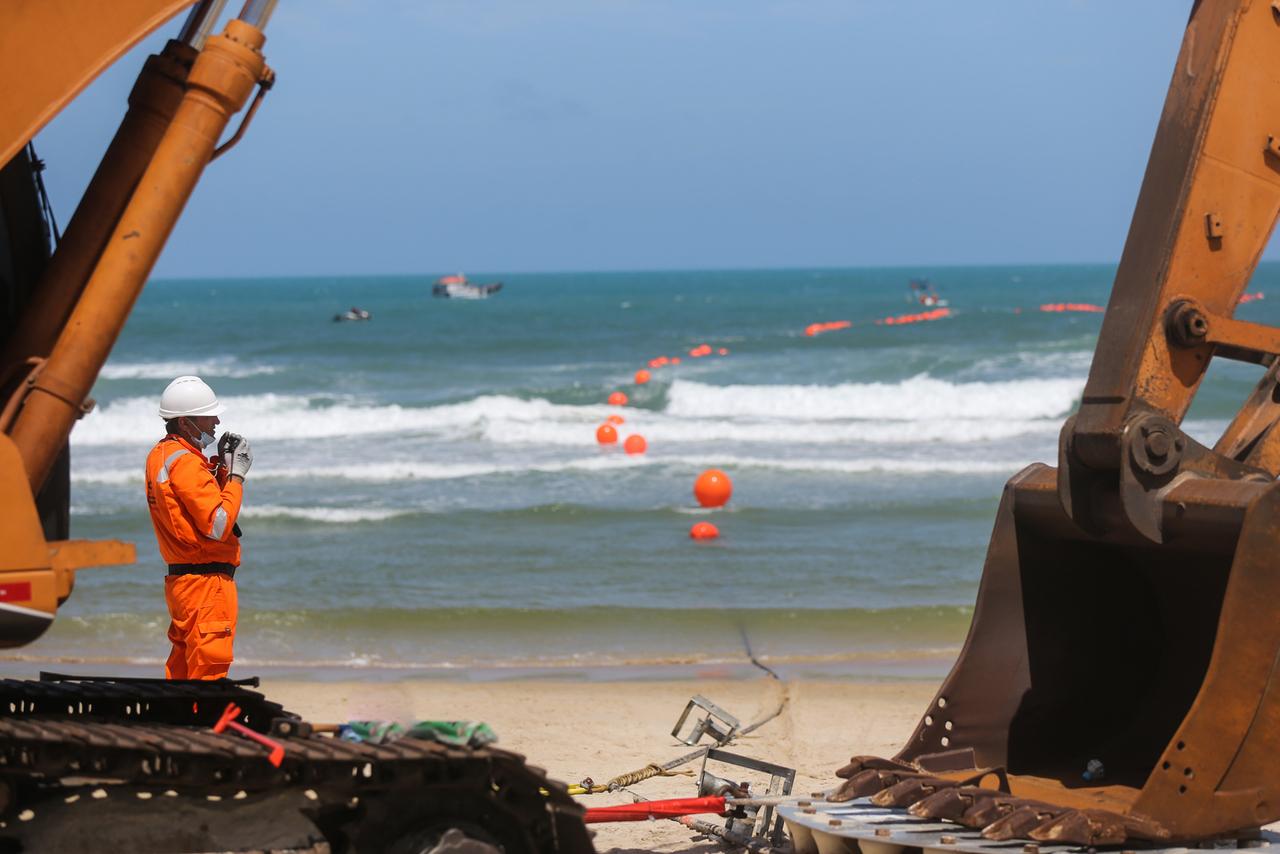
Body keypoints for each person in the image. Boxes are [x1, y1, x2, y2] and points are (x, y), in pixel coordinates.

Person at [144, 375, 253, 680]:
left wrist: (219, 471)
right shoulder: (186, 463)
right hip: (205, 584)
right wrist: (236, 478)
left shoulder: (162, 455)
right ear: (184, 422)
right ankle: (203, 713)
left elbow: (190, 510)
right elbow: (218, 524)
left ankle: (180, 711)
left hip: (183, 582)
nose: (216, 422)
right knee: (209, 671)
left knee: (183, 669)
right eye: (208, 416)